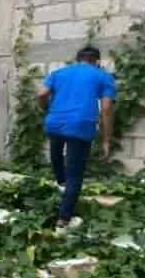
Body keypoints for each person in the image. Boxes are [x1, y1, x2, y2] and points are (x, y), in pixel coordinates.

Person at [36, 45, 117, 226]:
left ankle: (61, 186)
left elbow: (41, 94)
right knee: (75, 173)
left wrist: (47, 110)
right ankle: (64, 219)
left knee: (56, 157)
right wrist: (106, 140)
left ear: (78, 59)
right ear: (97, 61)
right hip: (81, 125)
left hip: (54, 122)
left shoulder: (60, 73)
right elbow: (106, 109)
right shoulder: (103, 76)